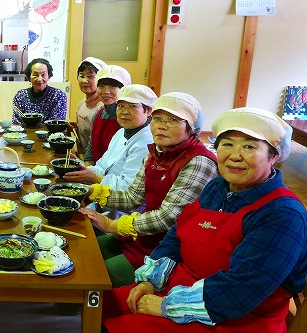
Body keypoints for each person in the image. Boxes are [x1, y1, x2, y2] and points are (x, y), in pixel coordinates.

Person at [102, 107, 307, 333]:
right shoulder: (217, 187)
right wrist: (149, 280)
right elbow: (176, 237)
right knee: (97, 305)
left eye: (249, 146)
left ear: (274, 155)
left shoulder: (283, 213)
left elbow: (240, 291)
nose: (235, 155)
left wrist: (166, 305)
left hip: (229, 318)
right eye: (227, 144)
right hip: (177, 289)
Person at [79, 92, 218, 287]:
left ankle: (92, 311)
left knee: (93, 273)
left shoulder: (198, 161)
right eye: (158, 119)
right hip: (143, 238)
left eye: (173, 120)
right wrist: (92, 191)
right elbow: (133, 197)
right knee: (84, 248)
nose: (161, 125)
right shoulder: (156, 153)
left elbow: (167, 217)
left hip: (167, 251)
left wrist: (111, 226)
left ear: (191, 127)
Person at [64, 84, 157, 193]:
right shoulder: (121, 132)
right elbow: (102, 166)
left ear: (149, 111)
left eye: (132, 106)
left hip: (123, 207)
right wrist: (81, 167)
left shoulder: (147, 143)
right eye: (121, 106)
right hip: (103, 195)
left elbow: (127, 188)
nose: (124, 112)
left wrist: (94, 177)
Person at [84, 64, 131, 163]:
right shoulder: (98, 114)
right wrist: (87, 166)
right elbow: (91, 146)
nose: (106, 91)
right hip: (96, 172)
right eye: (101, 86)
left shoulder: (128, 119)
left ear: (124, 89)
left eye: (113, 86)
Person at [11, 58, 67, 124]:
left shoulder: (58, 95)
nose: (39, 79)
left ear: (49, 76)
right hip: (24, 134)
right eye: (35, 75)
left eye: (43, 75)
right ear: (29, 77)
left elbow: (56, 124)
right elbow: (16, 124)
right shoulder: (20, 95)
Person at [74, 57, 107, 154]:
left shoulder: (104, 108)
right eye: (82, 76)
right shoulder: (82, 103)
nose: (84, 80)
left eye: (90, 76)